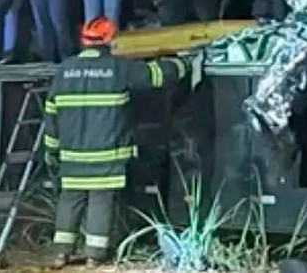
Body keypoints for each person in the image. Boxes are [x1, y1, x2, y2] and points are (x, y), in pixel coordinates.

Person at [43, 16, 198, 268]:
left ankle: (60, 253)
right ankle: (94, 255)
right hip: (107, 157)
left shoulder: (63, 71)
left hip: (71, 158)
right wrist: (183, 63)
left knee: (69, 200)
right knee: (100, 202)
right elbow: (156, 76)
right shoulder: (118, 68)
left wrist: (51, 150)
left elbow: (51, 114)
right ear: (110, 41)